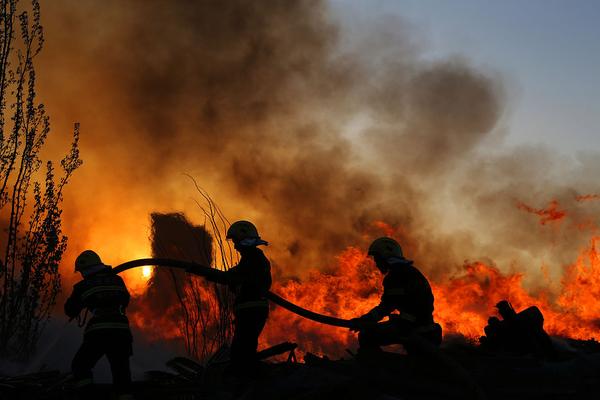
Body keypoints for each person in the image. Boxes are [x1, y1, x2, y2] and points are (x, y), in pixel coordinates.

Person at [349, 237, 442, 355]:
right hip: (426, 328)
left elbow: (387, 306)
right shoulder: (411, 271)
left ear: (385, 257)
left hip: (414, 330)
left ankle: (374, 369)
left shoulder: (395, 276)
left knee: (367, 335)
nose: (376, 264)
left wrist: (365, 320)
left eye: (377, 259)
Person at [64, 250, 133, 396]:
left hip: (99, 333)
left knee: (80, 366)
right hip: (122, 332)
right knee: (121, 373)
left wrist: (85, 302)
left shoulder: (82, 286)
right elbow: (126, 300)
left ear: (85, 270)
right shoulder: (118, 280)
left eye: (81, 271)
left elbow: (70, 310)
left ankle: (88, 395)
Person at [224, 220, 272, 375]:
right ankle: (246, 377)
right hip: (250, 310)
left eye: (236, 241)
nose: (235, 246)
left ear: (244, 240)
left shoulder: (254, 257)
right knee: (243, 348)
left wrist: (230, 276)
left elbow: (245, 276)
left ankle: (247, 381)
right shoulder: (252, 258)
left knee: (241, 350)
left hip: (251, 310)